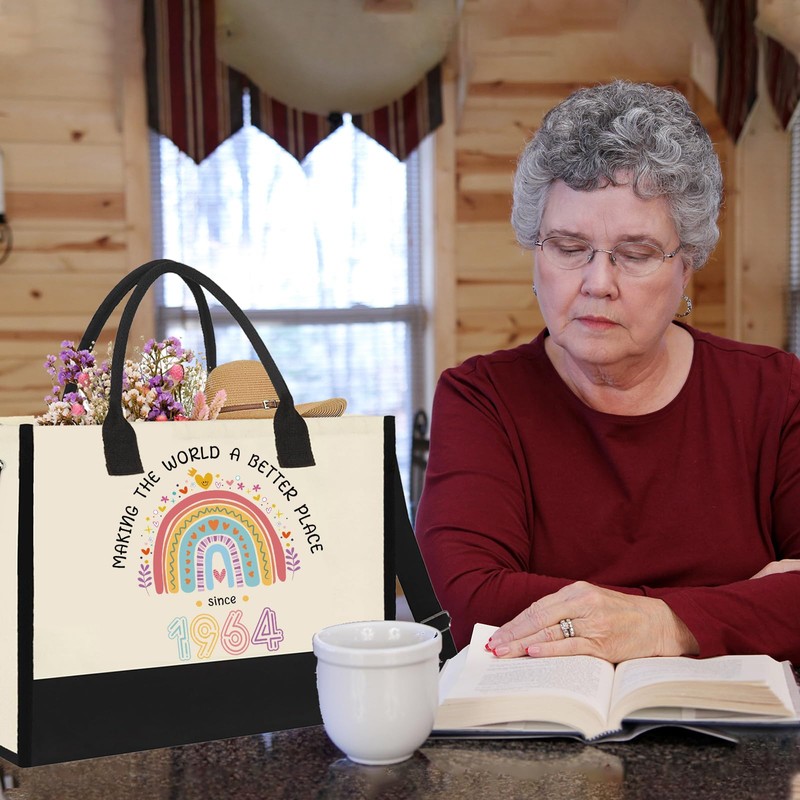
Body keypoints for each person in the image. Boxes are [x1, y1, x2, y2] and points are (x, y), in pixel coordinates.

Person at [415, 80, 800, 664]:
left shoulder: (776, 392)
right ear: (535, 252)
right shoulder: (480, 398)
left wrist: (663, 624)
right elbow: (465, 603)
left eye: (636, 253)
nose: (598, 283)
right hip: (542, 722)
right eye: (569, 248)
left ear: (687, 266)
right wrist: (738, 607)